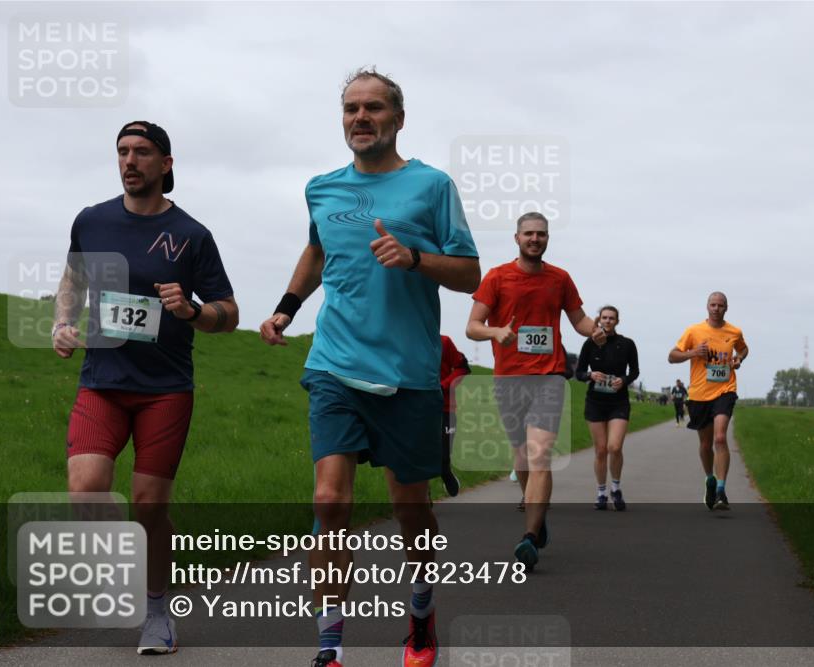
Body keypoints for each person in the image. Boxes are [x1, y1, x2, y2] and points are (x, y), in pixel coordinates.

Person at [259, 68, 479, 667]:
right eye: (351, 108)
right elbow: (317, 250)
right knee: (329, 501)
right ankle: (329, 647)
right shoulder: (322, 189)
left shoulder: (432, 186)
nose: (361, 117)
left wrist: (414, 258)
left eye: (374, 107)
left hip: (408, 374)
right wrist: (285, 309)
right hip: (334, 363)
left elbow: (470, 274)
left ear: (398, 119)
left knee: (412, 511)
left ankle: (422, 611)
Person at [52, 121, 239, 655]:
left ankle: (157, 612)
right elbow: (72, 281)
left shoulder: (192, 235)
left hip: (165, 389)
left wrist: (192, 310)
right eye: (122, 151)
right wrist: (62, 322)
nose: (130, 161)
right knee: (86, 488)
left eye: (142, 152)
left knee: (149, 505)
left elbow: (229, 313)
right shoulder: (92, 220)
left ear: (166, 163)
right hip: (103, 381)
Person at [466, 211, 604, 570]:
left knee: (539, 453)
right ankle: (537, 516)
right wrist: (495, 332)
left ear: (547, 239)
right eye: (528, 234)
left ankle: (528, 537)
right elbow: (472, 326)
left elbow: (578, 319)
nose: (534, 239)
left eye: (541, 234)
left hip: (549, 376)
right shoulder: (497, 277)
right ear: (517, 238)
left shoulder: (560, 279)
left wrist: (595, 330)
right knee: (522, 457)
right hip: (509, 378)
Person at [667, 292, 748, 511]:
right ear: (707, 307)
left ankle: (721, 490)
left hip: (725, 390)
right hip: (699, 395)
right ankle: (710, 479)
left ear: (726, 308)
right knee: (705, 444)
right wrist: (694, 352)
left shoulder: (734, 332)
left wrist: (739, 358)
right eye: (713, 305)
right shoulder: (693, 331)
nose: (716, 309)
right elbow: (672, 356)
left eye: (720, 305)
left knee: (720, 438)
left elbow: (743, 349)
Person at [575, 305, 639, 511]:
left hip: (618, 402)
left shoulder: (627, 344)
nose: (608, 321)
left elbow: (635, 371)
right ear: (599, 320)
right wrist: (590, 375)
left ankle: (616, 488)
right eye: (604, 318)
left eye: (612, 318)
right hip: (595, 402)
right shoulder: (590, 343)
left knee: (615, 447)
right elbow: (579, 372)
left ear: (617, 321)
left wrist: (624, 380)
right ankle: (601, 492)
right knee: (601, 450)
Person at [440, 335, 471, 496]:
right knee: (419, 458)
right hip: (416, 409)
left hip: (445, 409)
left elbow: (463, 368)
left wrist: (443, 386)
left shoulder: (444, 342)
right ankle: (424, 497)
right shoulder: (406, 343)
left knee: (443, 456)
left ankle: (445, 471)